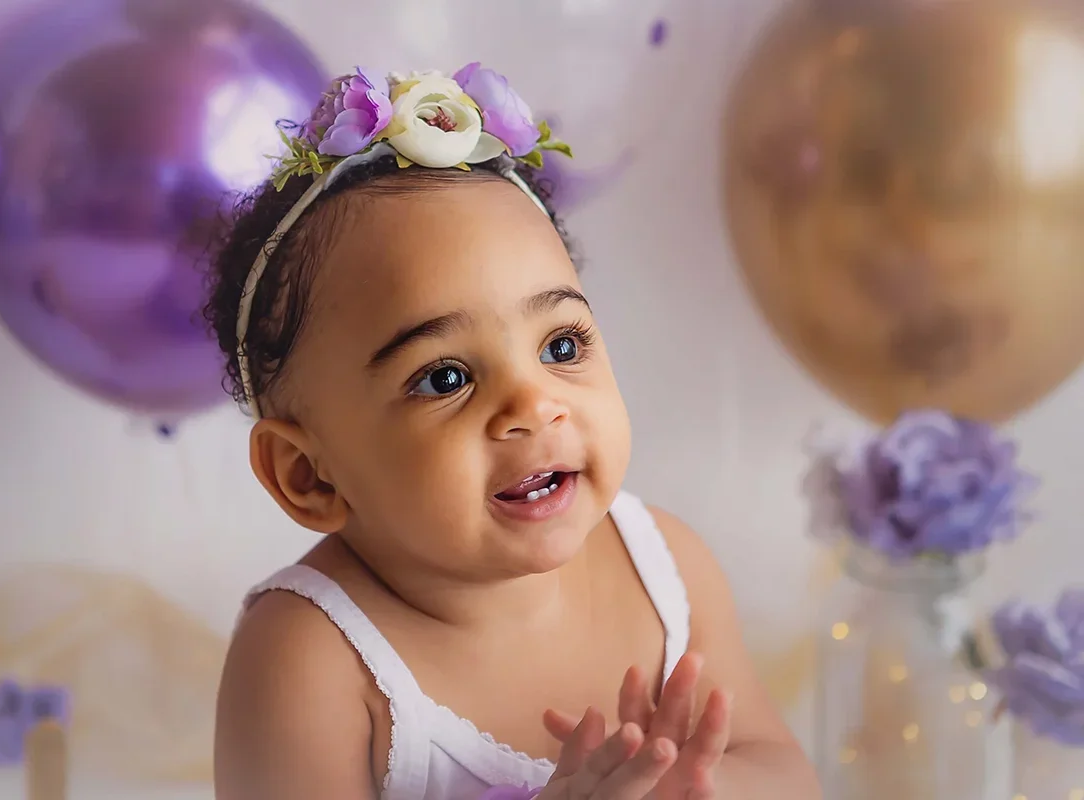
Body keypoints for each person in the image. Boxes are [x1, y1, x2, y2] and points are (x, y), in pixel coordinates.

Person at [208, 64, 820, 799]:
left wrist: (694, 787)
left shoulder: (668, 569)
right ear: (309, 474)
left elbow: (782, 769)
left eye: (561, 347)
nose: (534, 405)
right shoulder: (311, 659)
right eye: (445, 378)